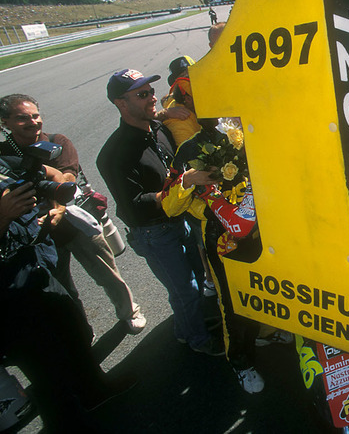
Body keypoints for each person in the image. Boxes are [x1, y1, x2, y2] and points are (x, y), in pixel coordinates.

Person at [0, 156, 135, 432]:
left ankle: (95, 391)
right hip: (7, 300)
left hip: (36, 271)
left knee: (74, 331)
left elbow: (52, 174)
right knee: (45, 371)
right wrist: (3, 216)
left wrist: (54, 205)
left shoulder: (3, 162)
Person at [97, 69, 223, 356]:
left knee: (195, 281)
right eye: (142, 95)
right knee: (186, 291)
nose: (152, 98)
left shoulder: (158, 129)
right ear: (120, 103)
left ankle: (186, 329)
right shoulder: (114, 154)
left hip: (180, 221)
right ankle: (198, 341)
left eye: (151, 91)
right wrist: (183, 186)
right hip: (153, 232)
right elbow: (133, 204)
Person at [0, 94, 146, 335]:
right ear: (5, 123)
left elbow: (67, 177)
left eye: (36, 116)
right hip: (36, 234)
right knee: (63, 287)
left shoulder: (57, 141)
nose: (33, 122)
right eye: (22, 118)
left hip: (74, 223)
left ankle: (129, 312)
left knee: (107, 273)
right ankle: (80, 329)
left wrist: (57, 207)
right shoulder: (4, 155)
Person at [161, 118, 267, 393]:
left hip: (268, 228)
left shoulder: (254, 128)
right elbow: (169, 206)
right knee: (233, 305)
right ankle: (242, 362)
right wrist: (189, 180)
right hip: (223, 237)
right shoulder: (189, 148)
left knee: (269, 289)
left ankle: (267, 332)